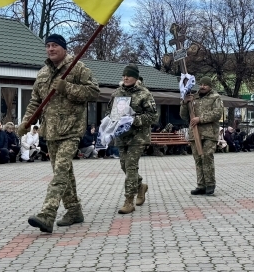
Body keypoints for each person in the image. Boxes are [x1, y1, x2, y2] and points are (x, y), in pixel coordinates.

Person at [19, 33, 100, 233]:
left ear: (63, 48)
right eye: (48, 46)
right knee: (64, 174)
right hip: (51, 131)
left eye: (55, 45)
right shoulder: (43, 73)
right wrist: (25, 122)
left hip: (71, 129)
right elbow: (35, 102)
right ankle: (74, 211)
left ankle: (47, 214)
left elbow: (94, 92)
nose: (50, 49)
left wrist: (67, 87)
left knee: (60, 172)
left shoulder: (77, 68)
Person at [107, 65, 158, 214]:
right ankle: (140, 186)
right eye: (124, 75)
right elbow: (109, 112)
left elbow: (153, 116)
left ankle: (129, 201)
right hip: (122, 136)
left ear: (135, 77)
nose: (125, 78)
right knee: (124, 166)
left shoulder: (144, 94)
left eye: (128, 76)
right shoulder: (117, 93)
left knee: (130, 166)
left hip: (138, 136)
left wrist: (133, 120)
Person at [181, 76, 224, 195]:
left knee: (207, 157)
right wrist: (184, 103)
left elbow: (217, 113)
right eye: (201, 84)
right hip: (195, 133)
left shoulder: (215, 97)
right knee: (198, 159)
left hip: (209, 133)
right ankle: (201, 185)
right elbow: (183, 115)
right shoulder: (193, 97)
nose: (202, 87)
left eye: (205, 85)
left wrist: (200, 119)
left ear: (210, 86)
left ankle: (210, 184)